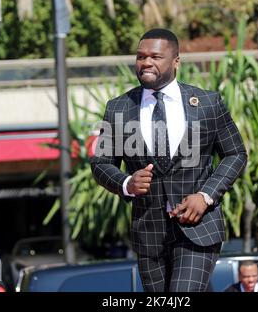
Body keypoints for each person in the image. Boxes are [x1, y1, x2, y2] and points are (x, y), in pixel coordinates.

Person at [90, 28, 247, 292]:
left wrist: (206, 195)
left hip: (198, 228)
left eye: (155, 56)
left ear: (176, 61)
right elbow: (101, 163)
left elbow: (236, 154)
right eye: (140, 57)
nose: (146, 63)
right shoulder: (118, 107)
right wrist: (127, 182)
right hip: (149, 234)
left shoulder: (207, 103)